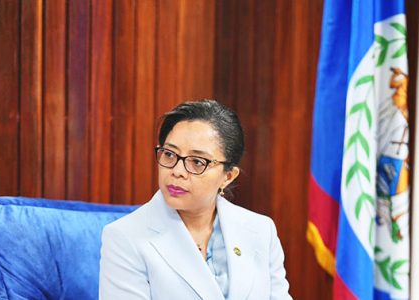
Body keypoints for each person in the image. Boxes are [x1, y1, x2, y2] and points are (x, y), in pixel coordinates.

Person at [99, 100, 292, 299]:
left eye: (197, 161)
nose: (177, 171)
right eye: (169, 154)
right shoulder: (124, 237)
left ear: (227, 176)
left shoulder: (260, 230)